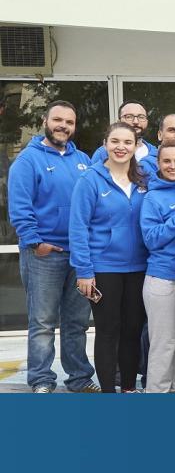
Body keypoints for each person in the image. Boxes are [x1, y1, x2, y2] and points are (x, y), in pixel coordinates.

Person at [8, 100, 99, 393]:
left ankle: (79, 378)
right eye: (58, 120)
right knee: (43, 321)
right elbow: (20, 208)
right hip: (44, 255)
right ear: (45, 121)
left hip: (78, 255)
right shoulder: (28, 160)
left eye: (69, 122)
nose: (63, 126)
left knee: (77, 322)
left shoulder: (83, 159)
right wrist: (36, 243)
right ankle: (41, 379)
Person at [70, 122, 150, 392]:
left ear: (136, 147)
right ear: (105, 144)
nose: (121, 147)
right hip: (104, 268)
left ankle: (128, 388)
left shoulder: (145, 178)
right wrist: (84, 271)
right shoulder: (89, 180)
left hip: (139, 268)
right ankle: (108, 393)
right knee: (108, 331)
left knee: (132, 330)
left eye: (127, 142)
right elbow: (78, 227)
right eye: (115, 141)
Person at [140, 142, 175, 393]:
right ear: (158, 164)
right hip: (162, 277)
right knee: (164, 341)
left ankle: (174, 387)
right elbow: (152, 239)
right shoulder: (152, 197)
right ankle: (157, 392)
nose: (173, 166)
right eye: (167, 161)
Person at [91, 100, 157, 165]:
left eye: (141, 117)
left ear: (147, 121)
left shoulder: (156, 154)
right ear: (119, 121)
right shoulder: (102, 153)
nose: (136, 121)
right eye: (129, 117)